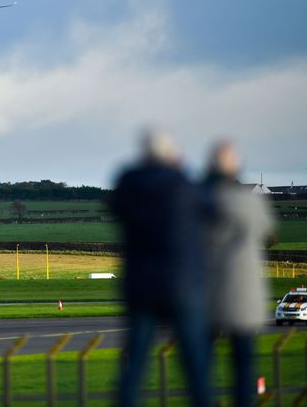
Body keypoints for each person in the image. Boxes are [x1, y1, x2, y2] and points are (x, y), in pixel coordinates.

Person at [106, 129, 212, 407]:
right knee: (194, 365)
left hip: (141, 286)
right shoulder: (182, 185)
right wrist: (179, 168)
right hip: (181, 285)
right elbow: (211, 208)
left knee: (135, 364)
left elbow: (114, 204)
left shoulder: (129, 185)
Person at [203, 141, 274, 407]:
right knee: (243, 366)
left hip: (209, 295)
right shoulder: (249, 201)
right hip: (243, 298)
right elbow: (268, 230)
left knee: (204, 369)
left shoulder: (201, 200)